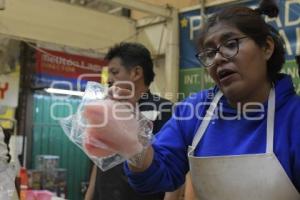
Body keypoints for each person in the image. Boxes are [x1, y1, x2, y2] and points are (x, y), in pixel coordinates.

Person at [83, 0, 300, 199]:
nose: (218, 58)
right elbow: (157, 176)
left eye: (231, 44)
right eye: (209, 52)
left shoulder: (294, 117)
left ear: (267, 47)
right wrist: (133, 142)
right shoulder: (194, 110)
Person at [84, 42, 179, 200]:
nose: (109, 79)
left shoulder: (165, 110)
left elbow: (174, 164)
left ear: (136, 73)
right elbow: (98, 160)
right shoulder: (107, 109)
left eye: (115, 72)